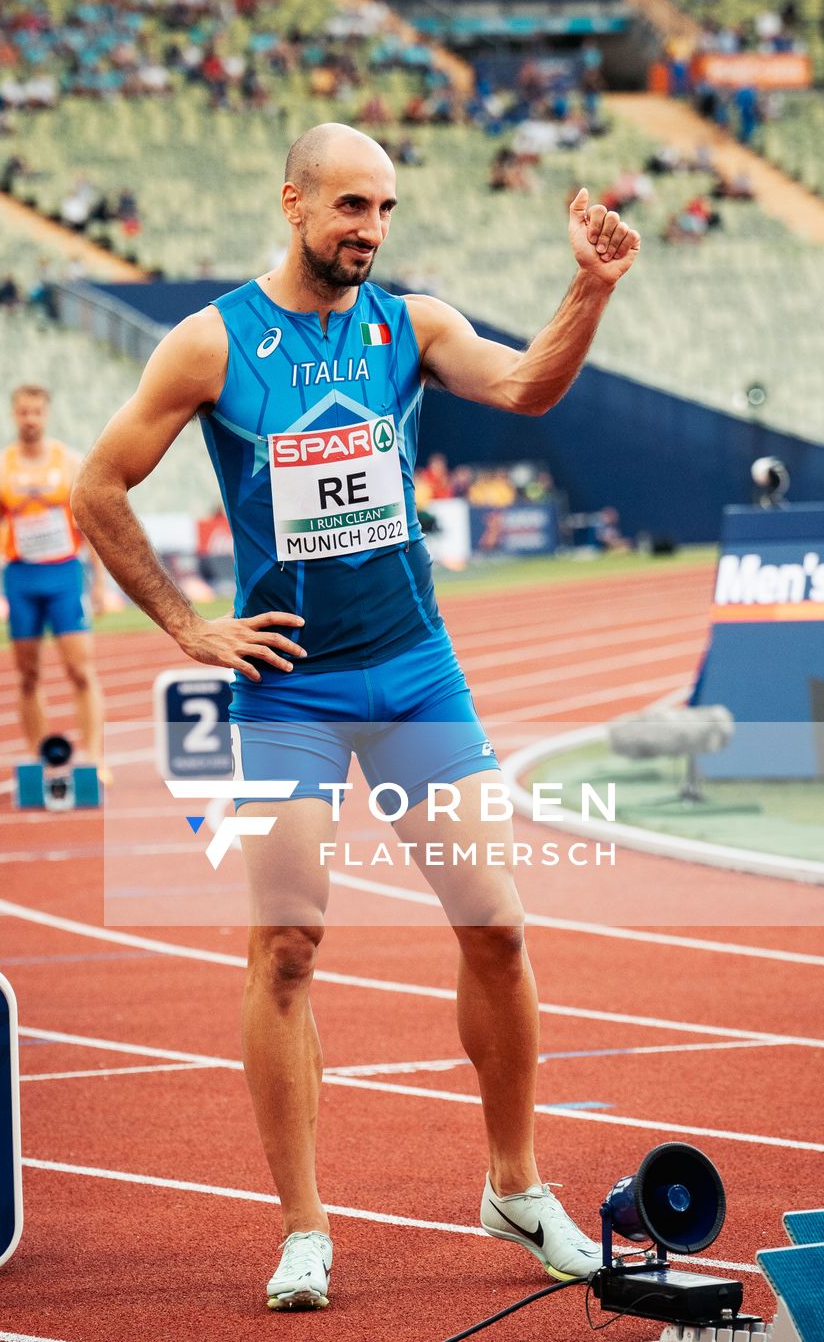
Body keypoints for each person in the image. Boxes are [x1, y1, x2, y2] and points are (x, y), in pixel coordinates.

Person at [71, 123, 641, 1312]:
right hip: (290, 688)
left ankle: (514, 1185)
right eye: (346, 208)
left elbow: (529, 383)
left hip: (413, 671)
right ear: (291, 203)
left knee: (495, 929)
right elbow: (95, 487)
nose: (367, 231)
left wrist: (585, 290)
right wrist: (187, 626)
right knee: (285, 948)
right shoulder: (212, 342)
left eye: (381, 210)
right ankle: (303, 1228)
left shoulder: (411, 326)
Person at [0, 386, 110, 780]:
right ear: (14, 415)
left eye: (36, 412)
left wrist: (99, 583)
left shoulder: (68, 462)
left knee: (81, 671)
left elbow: (90, 526)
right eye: (23, 412)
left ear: (46, 414)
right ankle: (38, 759)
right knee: (28, 675)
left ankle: (95, 757)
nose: (29, 419)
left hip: (65, 574)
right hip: (21, 578)